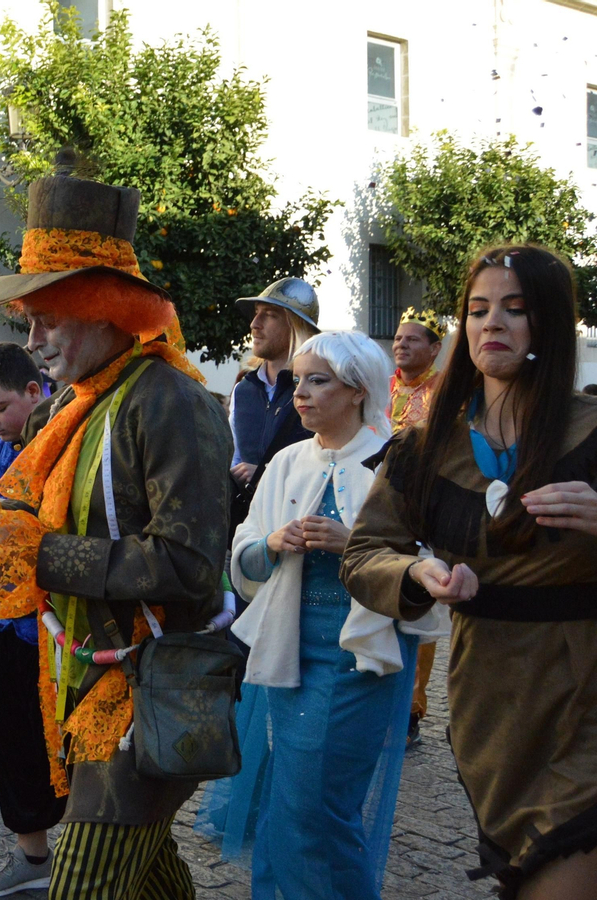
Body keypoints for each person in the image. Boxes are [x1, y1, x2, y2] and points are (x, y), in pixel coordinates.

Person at [0, 172, 231, 900]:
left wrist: (30, 550)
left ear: (104, 308)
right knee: (151, 881)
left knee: (86, 882)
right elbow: (41, 517)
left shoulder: (169, 401)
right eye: (29, 321)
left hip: (149, 685)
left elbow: (188, 565)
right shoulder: (79, 402)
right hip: (86, 676)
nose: (32, 341)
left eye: (47, 320)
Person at [343, 244, 597, 899]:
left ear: (549, 322)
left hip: (585, 685)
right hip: (490, 699)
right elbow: (366, 553)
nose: (493, 324)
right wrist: (416, 575)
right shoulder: (425, 448)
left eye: (516, 308)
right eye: (479, 310)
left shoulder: (593, 430)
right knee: (525, 870)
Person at [200, 331, 446, 898]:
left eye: (318, 381)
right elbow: (245, 553)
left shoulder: (399, 463)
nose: (301, 394)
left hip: (361, 654)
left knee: (318, 802)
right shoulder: (287, 461)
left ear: (358, 390)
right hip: (288, 651)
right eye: (298, 382)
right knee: (291, 796)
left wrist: (352, 544)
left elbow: (430, 562)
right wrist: (273, 543)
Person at [0, 342, 63, 898]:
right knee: (16, 740)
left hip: (59, 622)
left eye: (0, 408)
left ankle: (89, 850)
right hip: (2, 614)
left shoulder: (63, 442)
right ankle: (33, 854)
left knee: (70, 745)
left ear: (33, 390)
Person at [389, 305, 450, 747]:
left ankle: (412, 707)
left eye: (412, 339)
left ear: (434, 348)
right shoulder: (379, 386)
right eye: (398, 338)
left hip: (427, 511)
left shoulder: (447, 391)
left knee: (422, 607)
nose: (401, 345)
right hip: (379, 506)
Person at [229, 278, 320, 528]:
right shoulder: (243, 390)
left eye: (269, 315)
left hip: (300, 527)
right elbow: (234, 459)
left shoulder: (319, 389)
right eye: (256, 313)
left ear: (296, 326)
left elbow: (330, 463)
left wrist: (266, 474)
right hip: (248, 526)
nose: (254, 324)